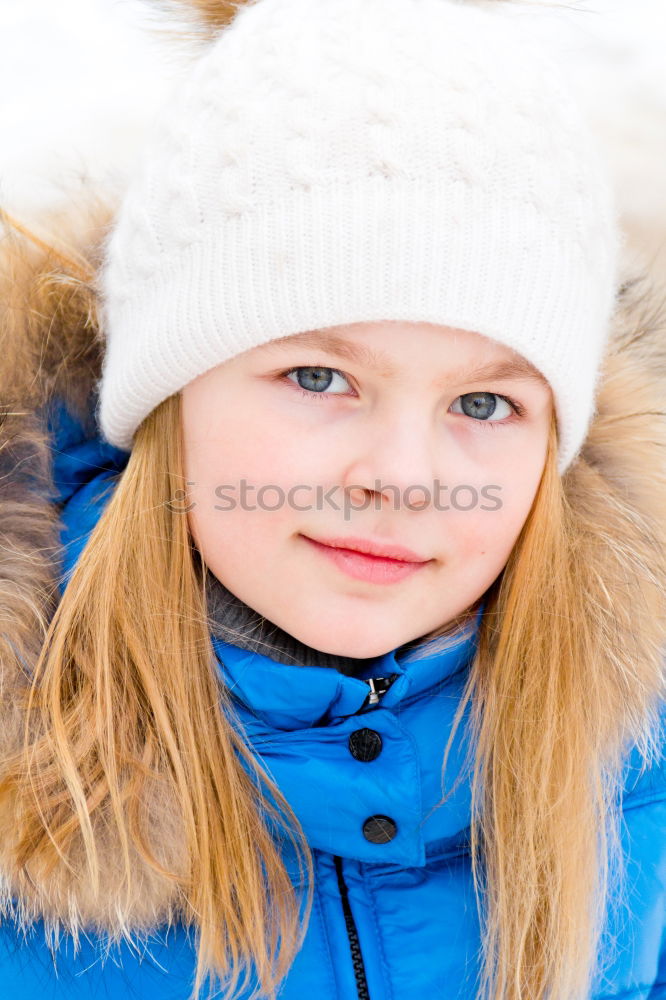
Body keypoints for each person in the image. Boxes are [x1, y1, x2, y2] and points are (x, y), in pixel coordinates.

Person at [0, 0, 665, 998]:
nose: (402, 474)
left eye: (484, 401)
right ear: (170, 396)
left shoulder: (638, 755)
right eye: (319, 377)